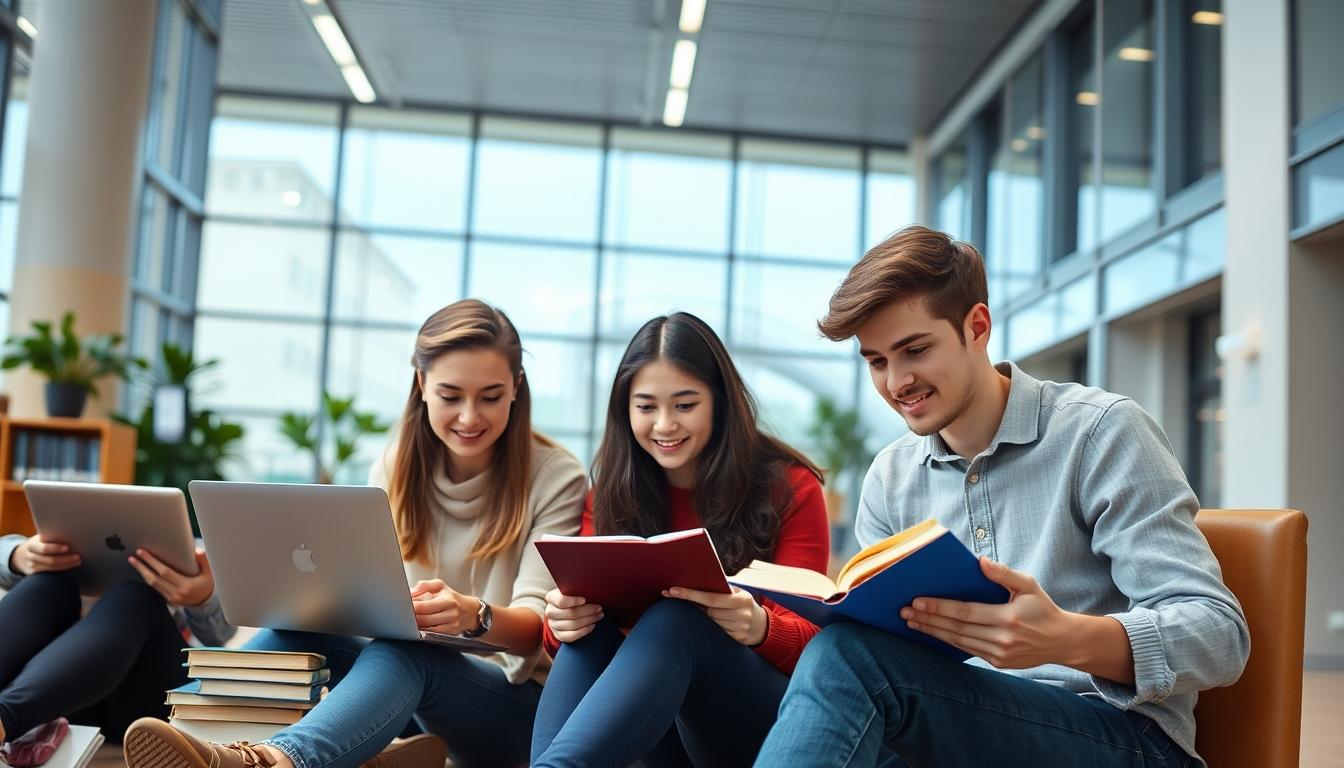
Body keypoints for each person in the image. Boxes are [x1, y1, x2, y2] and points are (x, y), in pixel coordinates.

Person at [752, 225, 1250, 768]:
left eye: (914, 350)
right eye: (875, 361)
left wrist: (1066, 639)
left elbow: (1220, 636)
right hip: (954, 732)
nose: (897, 382)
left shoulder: (1101, 433)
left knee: (845, 661)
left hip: (1123, 740)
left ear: (977, 327)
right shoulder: (891, 477)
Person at [124, 299, 587, 768]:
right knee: (301, 625)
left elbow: (537, 634)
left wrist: (473, 615)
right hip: (399, 691)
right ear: (422, 384)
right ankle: (191, 734)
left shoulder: (557, 476)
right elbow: (361, 594)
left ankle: (274, 762)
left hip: (508, 709)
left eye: (490, 396)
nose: (470, 417)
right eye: (451, 396)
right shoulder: (395, 467)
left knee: (410, 651)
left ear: (517, 388)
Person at [531, 312, 830, 768]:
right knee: (587, 634)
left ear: (719, 402)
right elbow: (570, 623)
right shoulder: (611, 491)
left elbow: (820, 646)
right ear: (624, 409)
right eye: (646, 407)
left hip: (757, 722)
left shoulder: (791, 486)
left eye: (685, 405)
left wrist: (759, 627)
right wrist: (561, 622)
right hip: (655, 719)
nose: (665, 425)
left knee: (680, 617)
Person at [0, 522, 232, 747]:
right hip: (52, 690)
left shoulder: (195, 551)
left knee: (135, 599)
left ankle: (6, 717)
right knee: (45, 584)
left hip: (143, 692)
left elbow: (219, 636)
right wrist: (16, 555)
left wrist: (202, 599)